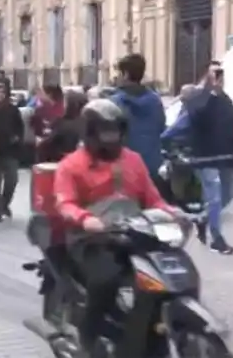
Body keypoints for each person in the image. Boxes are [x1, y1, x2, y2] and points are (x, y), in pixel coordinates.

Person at [54, 99, 174, 356]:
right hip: (91, 240)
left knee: (162, 279)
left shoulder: (134, 160)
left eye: (116, 131)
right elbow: (65, 203)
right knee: (105, 279)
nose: (111, 138)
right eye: (105, 132)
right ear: (90, 133)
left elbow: (153, 199)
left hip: (134, 234)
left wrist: (174, 213)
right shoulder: (71, 165)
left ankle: (146, 336)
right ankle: (88, 336)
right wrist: (85, 219)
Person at [161, 62, 233, 254]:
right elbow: (193, 119)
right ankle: (217, 239)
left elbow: (231, 125)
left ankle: (203, 218)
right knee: (214, 197)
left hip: (225, 155)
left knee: (227, 194)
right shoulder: (199, 100)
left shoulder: (225, 99)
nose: (218, 78)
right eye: (214, 74)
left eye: (220, 73)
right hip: (205, 157)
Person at [109, 53, 166, 184]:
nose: (116, 77)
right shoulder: (155, 101)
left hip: (126, 168)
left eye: (119, 73)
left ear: (126, 74)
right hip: (152, 166)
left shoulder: (115, 103)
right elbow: (161, 128)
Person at [0, 82, 24, 222]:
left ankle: (5, 204)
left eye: (2, 92)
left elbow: (20, 127)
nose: (0, 94)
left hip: (10, 150)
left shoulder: (12, 109)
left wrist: (17, 138)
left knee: (12, 180)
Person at [40, 90, 87, 163]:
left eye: (65, 102)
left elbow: (48, 144)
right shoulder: (89, 122)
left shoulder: (61, 123)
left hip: (62, 162)